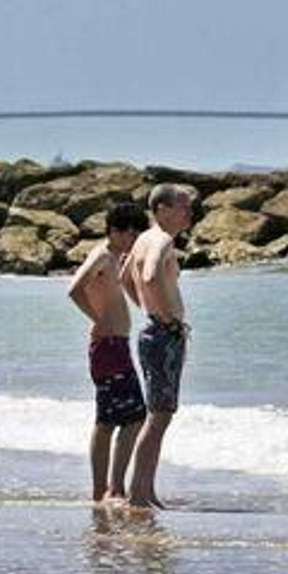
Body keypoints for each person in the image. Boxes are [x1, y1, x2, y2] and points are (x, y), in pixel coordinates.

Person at [68, 203, 150, 502]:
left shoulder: (115, 257)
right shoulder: (102, 254)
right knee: (133, 417)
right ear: (116, 231)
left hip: (113, 346)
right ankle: (113, 489)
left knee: (109, 420)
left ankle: (103, 490)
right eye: (132, 233)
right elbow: (75, 288)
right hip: (109, 346)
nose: (136, 239)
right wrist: (97, 318)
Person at [122, 184, 195, 510]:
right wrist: (167, 319)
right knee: (159, 417)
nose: (189, 212)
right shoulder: (162, 240)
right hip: (163, 335)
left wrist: (148, 310)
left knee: (157, 415)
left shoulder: (143, 239)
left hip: (153, 331)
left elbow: (125, 277)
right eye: (183, 206)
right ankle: (139, 495)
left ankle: (145, 492)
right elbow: (149, 276)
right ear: (162, 208)